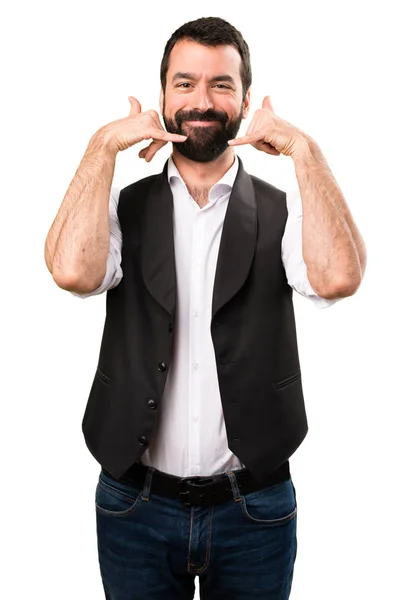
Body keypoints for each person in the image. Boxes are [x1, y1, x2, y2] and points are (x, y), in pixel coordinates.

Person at [44, 16, 366, 600]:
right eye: (185, 83)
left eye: (222, 85)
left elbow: (340, 278)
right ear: (163, 96)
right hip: (133, 504)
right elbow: (72, 270)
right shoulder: (123, 206)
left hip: (255, 506)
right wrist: (102, 146)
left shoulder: (282, 211)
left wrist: (304, 151)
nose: (201, 100)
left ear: (245, 100)